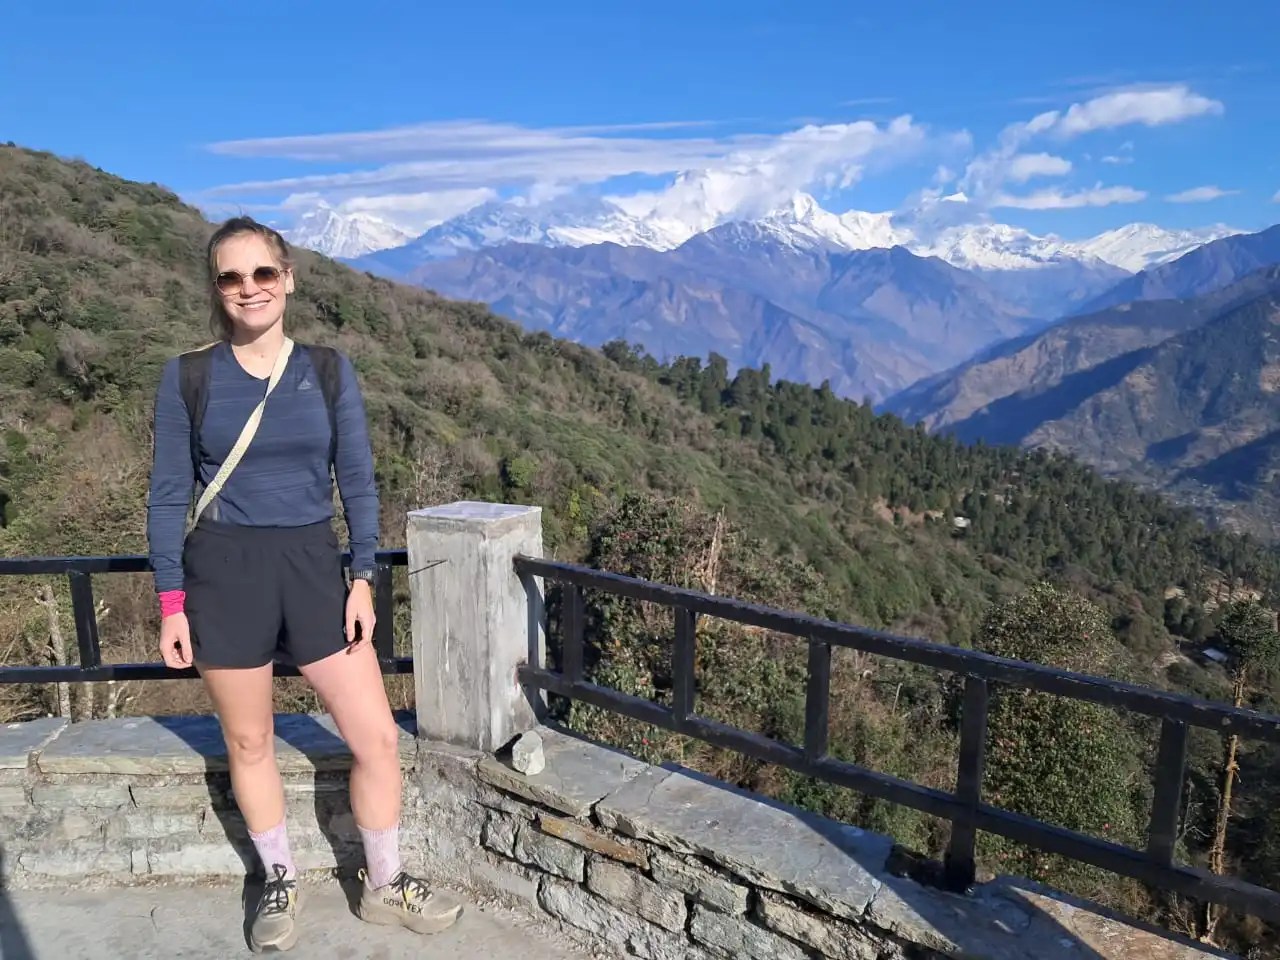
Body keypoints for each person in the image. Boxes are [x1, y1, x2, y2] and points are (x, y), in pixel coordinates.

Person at [146, 216, 462, 953]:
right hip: (223, 572)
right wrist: (170, 603)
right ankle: (279, 879)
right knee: (249, 741)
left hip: (316, 568)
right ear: (215, 288)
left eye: (263, 273)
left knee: (378, 738)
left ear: (288, 278)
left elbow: (357, 481)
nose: (248, 288)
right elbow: (166, 495)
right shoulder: (188, 377)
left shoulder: (326, 369)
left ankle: (383, 883)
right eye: (231, 276)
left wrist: (362, 577)